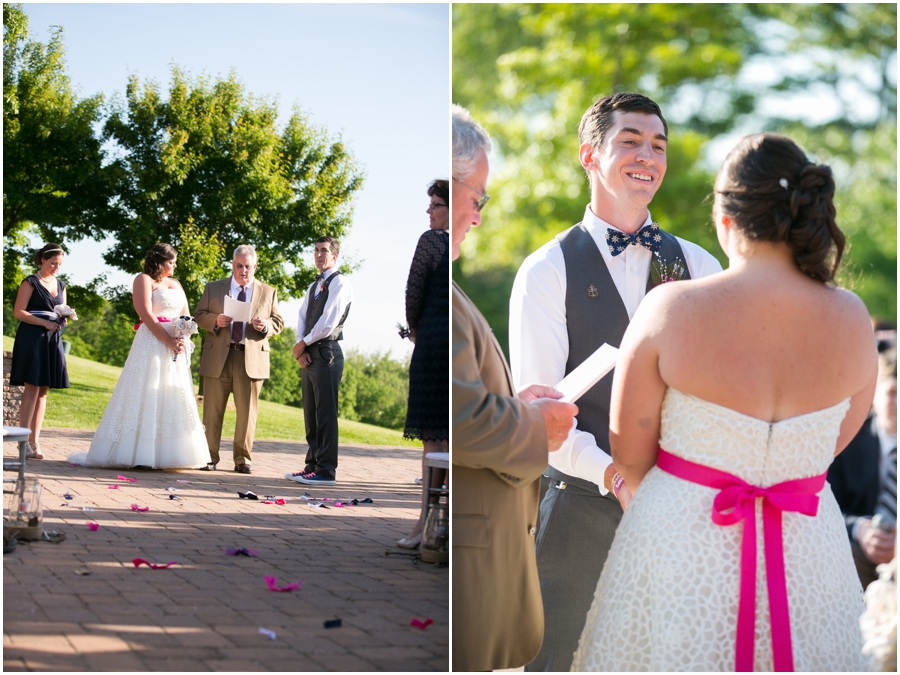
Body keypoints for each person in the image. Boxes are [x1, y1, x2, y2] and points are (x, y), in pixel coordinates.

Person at [572, 133, 875, 671]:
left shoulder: (670, 308)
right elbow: (828, 448)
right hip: (809, 553)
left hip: (683, 549)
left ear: (726, 217)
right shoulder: (854, 320)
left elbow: (630, 456)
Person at [509, 92, 722, 672]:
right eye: (629, 140)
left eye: (658, 145)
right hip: (577, 511)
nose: (647, 156)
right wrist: (613, 475)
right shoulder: (546, 270)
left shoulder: (701, 269)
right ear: (589, 155)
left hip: (680, 518)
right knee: (557, 660)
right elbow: (541, 411)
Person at [451, 104, 579, 672]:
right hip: (472, 561)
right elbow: (461, 417)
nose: (477, 216)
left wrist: (515, 407)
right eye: (476, 196)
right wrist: (535, 424)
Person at [72, 244, 210, 469]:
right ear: (160, 261)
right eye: (171, 262)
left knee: (169, 393)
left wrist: (183, 334)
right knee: (144, 390)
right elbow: (145, 313)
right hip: (151, 342)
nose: (175, 265)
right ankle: (138, 453)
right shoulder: (144, 280)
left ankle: (169, 455)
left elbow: (185, 313)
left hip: (174, 344)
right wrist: (167, 339)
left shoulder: (176, 284)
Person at [194, 244, 284, 474]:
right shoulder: (214, 288)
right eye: (239, 266)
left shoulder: (268, 291)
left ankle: (242, 459)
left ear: (255, 266)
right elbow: (199, 316)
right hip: (219, 357)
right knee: (212, 411)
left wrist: (265, 326)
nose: (244, 270)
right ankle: (209, 456)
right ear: (232, 266)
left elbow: (278, 322)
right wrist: (216, 320)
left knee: (247, 414)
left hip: (250, 359)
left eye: (248, 266)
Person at [397, 179, 450, 549]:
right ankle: (440, 527)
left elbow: (412, 292)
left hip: (433, 344)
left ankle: (426, 527)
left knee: (434, 440)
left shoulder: (432, 241)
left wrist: (414, 329)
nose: (428, 211)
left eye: (434, 204)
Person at [285, 236, 353, 486]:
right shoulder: (314, 286)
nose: (318, 255)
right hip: (310, 354)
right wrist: (299, 345)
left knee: (325, 413)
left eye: (324, 251)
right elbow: (302, 316)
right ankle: (312, 465)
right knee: (311, 413)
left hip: (327, 353)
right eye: (315, 250)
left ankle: (326, 470)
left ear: (335, 256)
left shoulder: (340, 283)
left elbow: (328, 321)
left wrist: (304, 343)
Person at [829, 345, 897, 587]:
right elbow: (828, 504)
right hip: (857, 554)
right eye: (892, 392)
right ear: (874, 392)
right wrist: (861, 530)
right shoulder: (846, 438)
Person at [10, 243, 71, 459]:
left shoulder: (62, 285)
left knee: (43, 391)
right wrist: (43, 323)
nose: (56, 267)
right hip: (32, 337)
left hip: (51, 340)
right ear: (43, 260)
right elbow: (18, 311)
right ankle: (22, 441)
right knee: (32, 388)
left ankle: (35, 442)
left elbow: (62, 310)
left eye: (60, 264)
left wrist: (63, 319)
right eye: (53, 262)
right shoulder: (30, 282)